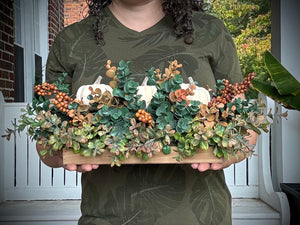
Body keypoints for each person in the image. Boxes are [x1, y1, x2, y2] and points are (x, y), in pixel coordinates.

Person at [37, 0, 257, 224]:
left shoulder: (211, 31)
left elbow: (245, 130)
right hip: (106, 217)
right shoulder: (71, 40)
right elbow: (45, 142)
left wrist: (230, 149)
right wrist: (63, 151)